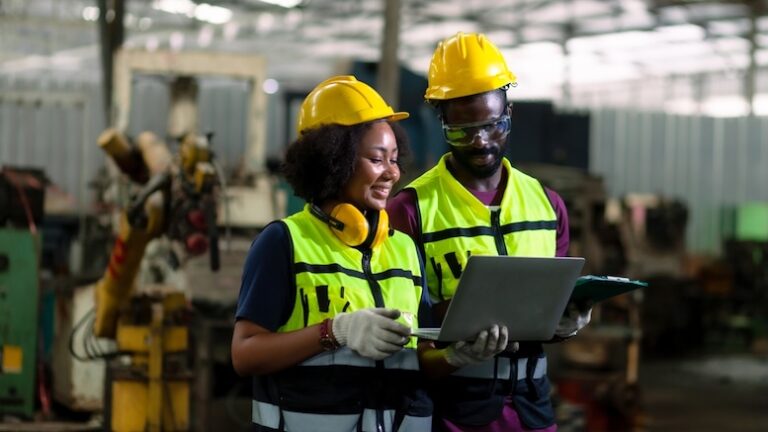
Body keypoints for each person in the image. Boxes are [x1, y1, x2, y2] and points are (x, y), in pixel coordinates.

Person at [387, 32, 592, 432]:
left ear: (508, 111)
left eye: (493, 126)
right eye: (462, 131)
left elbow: (549, 302)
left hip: (533, 409)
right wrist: (452, 352)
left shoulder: (548, 205)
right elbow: (403, 331)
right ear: (441, 120)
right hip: (453, 413)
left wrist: (566, 321)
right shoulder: (409, 211)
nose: (481, 142)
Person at [231, 75, 441, 432]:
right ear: (333, 160)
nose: (392, 172)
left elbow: (421, 353)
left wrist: (458, 355)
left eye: (394, 159)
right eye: (377, 159)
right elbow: (245, 353)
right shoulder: (284, 242)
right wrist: (334, 331)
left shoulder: (403, 247)